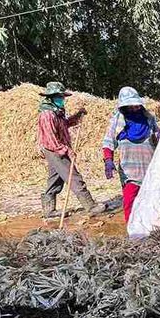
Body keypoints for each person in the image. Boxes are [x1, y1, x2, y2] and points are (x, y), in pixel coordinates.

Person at [37, 82, 107, 218]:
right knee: (73, 176)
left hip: (56, 148)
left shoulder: (57, 112)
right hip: (54, 150)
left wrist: (78, 116)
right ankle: (91, 206)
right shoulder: (47, 115)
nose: (61, 99)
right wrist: (67, 150)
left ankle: (49, 211)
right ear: (50, 97)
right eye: (58, 97)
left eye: (62, 96)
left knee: (55, 179)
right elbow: (51, 139)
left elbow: (65, 124)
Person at [102, 87, 160, 223]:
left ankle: (149, 229)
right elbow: (108, 143)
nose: (134, 109)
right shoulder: (118, 122)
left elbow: (158, 137)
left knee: (150, 202)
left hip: (150, 170)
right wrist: (108, 160)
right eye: (129, 106)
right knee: (130, 203)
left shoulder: (149, 120)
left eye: (136, 105)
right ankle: (133, 233)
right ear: (123, 107)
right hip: (129, 172)